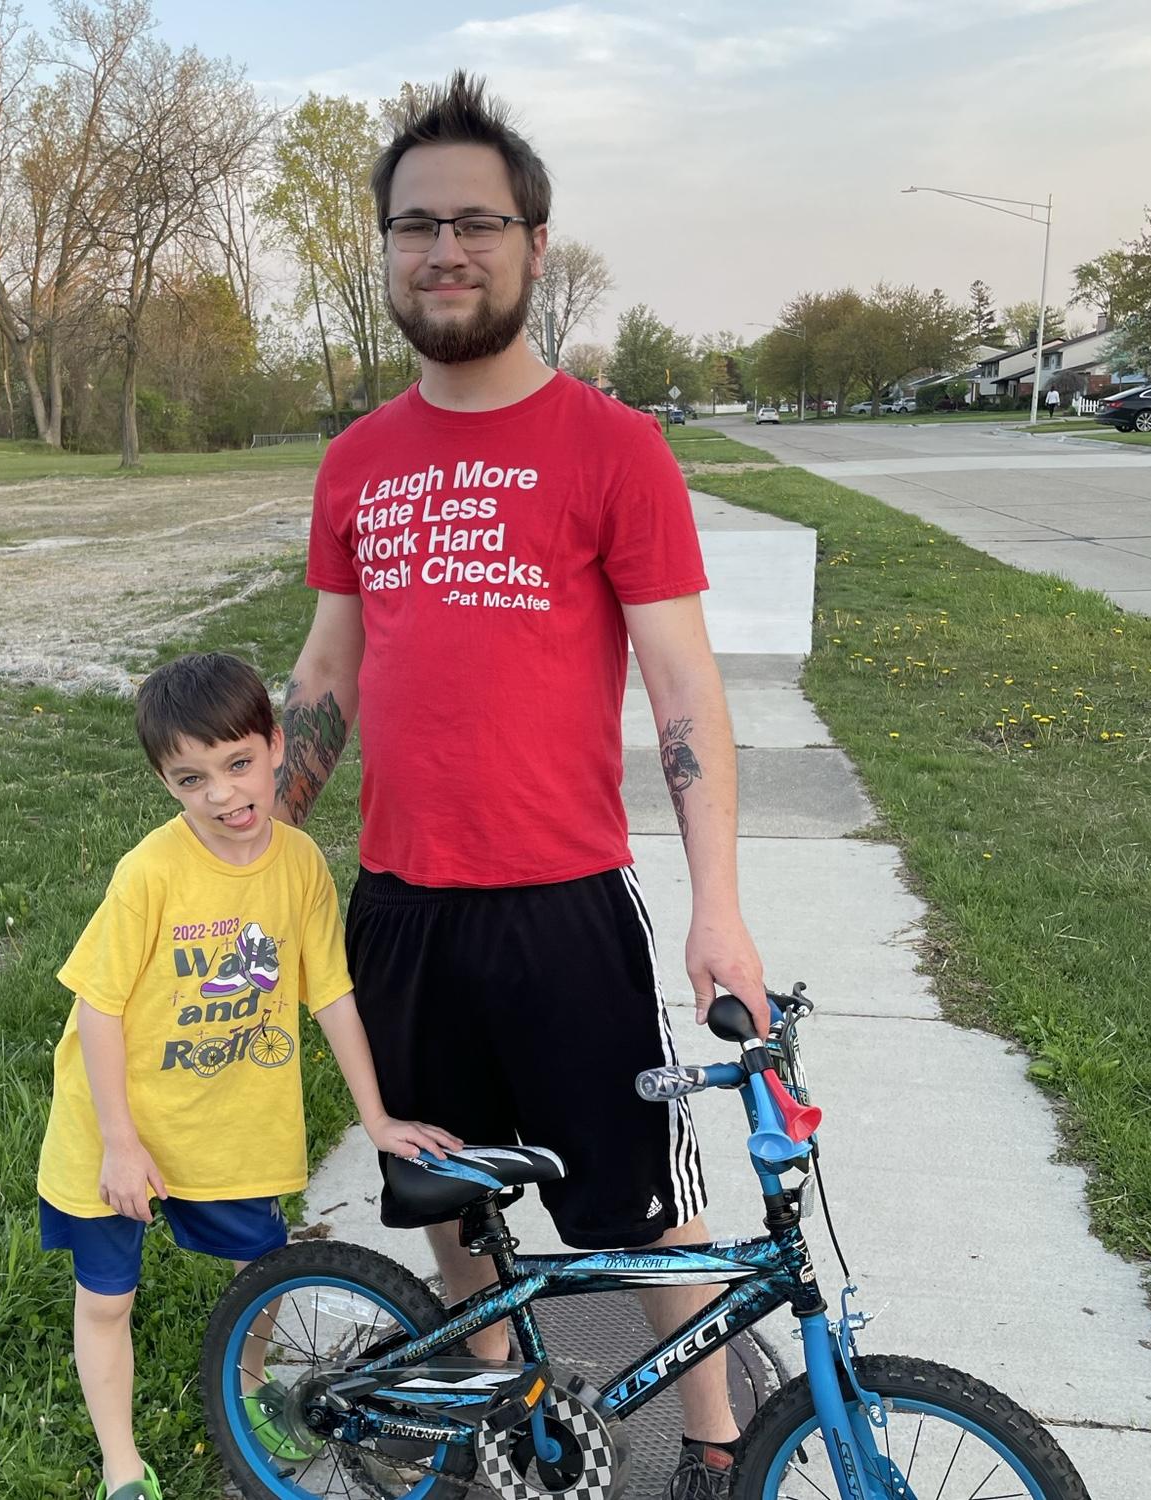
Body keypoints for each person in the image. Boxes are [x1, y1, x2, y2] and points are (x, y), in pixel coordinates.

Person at [275, 72, 771, 1500]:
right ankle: (486, 1414)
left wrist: (718, 907)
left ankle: (716, 1447)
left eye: (477, 223)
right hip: (402, 912)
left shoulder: (615, 448)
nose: (445, 250)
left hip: (565, 912)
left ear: (534, 244)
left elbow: (684, 692)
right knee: (450, 1203)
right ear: (387, 247)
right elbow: (328, 669)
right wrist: (245, 851)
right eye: (415, 225)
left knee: (643, 1209)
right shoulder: (357, 461)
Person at [37, 652, 460, 1500]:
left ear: (276, 746)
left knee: (262, 1279)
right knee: (108, 1300)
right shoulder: (150, 873)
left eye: (238, 764)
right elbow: (99, 1009)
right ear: (166, 783)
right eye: (192, 779)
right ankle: (122, 1466)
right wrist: (120, 1144)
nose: (224, 795)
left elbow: (330, 994)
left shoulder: (298, 865)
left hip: (226, 1122)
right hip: (113, 1122)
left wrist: (377, 1119)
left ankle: (250, 1389)